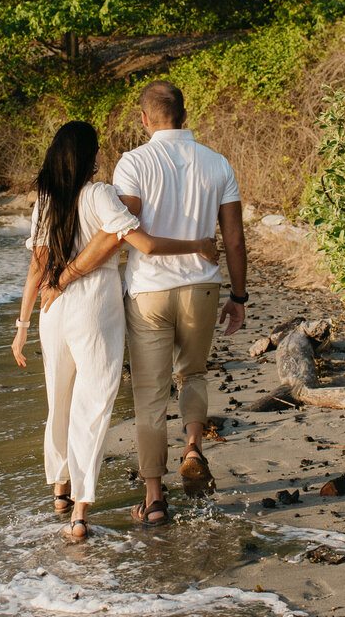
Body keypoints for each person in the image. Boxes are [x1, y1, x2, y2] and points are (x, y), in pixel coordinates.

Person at [52, 81, 247, 527]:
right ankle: (193, 445)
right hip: (203, 288)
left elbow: (121, 231)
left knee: (149, 396)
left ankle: (155, 498)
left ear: (144, 119)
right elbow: (233, 239)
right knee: (192, 374)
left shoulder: (134, 162)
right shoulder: (218, 164)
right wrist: (238, 296)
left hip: (147, 294)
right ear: (184, 112)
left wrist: (67, 277)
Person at [12, 120, 217, 542]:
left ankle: (60, 492)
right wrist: (197, 244)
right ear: (88, 157)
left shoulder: (45, 201)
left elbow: (36, 266)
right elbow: (145, 245)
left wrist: (21, 326)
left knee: (60, 399)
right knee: (94, 405)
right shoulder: (100, 194)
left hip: (52, 310)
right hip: (94, 307)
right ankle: (81, 513)